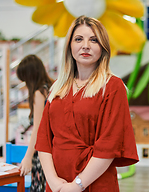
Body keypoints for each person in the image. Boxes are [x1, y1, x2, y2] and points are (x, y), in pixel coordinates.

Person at [35, 15, 139, 192]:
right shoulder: (57, 88)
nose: (85, 45)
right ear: (70, 46)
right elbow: (44, 140)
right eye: (78, 39)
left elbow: (109, 145)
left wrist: (77, 185)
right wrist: (53, 181)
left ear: (103, 48)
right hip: (58, 183)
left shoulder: (113, 87)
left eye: (94, 40)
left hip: (95, 181)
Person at [16, 54, 53, 192]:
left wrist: (28, 157)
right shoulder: (51, 87)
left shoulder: (39, 93)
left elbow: (38, 128)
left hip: (43, 151)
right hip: (53, 149)